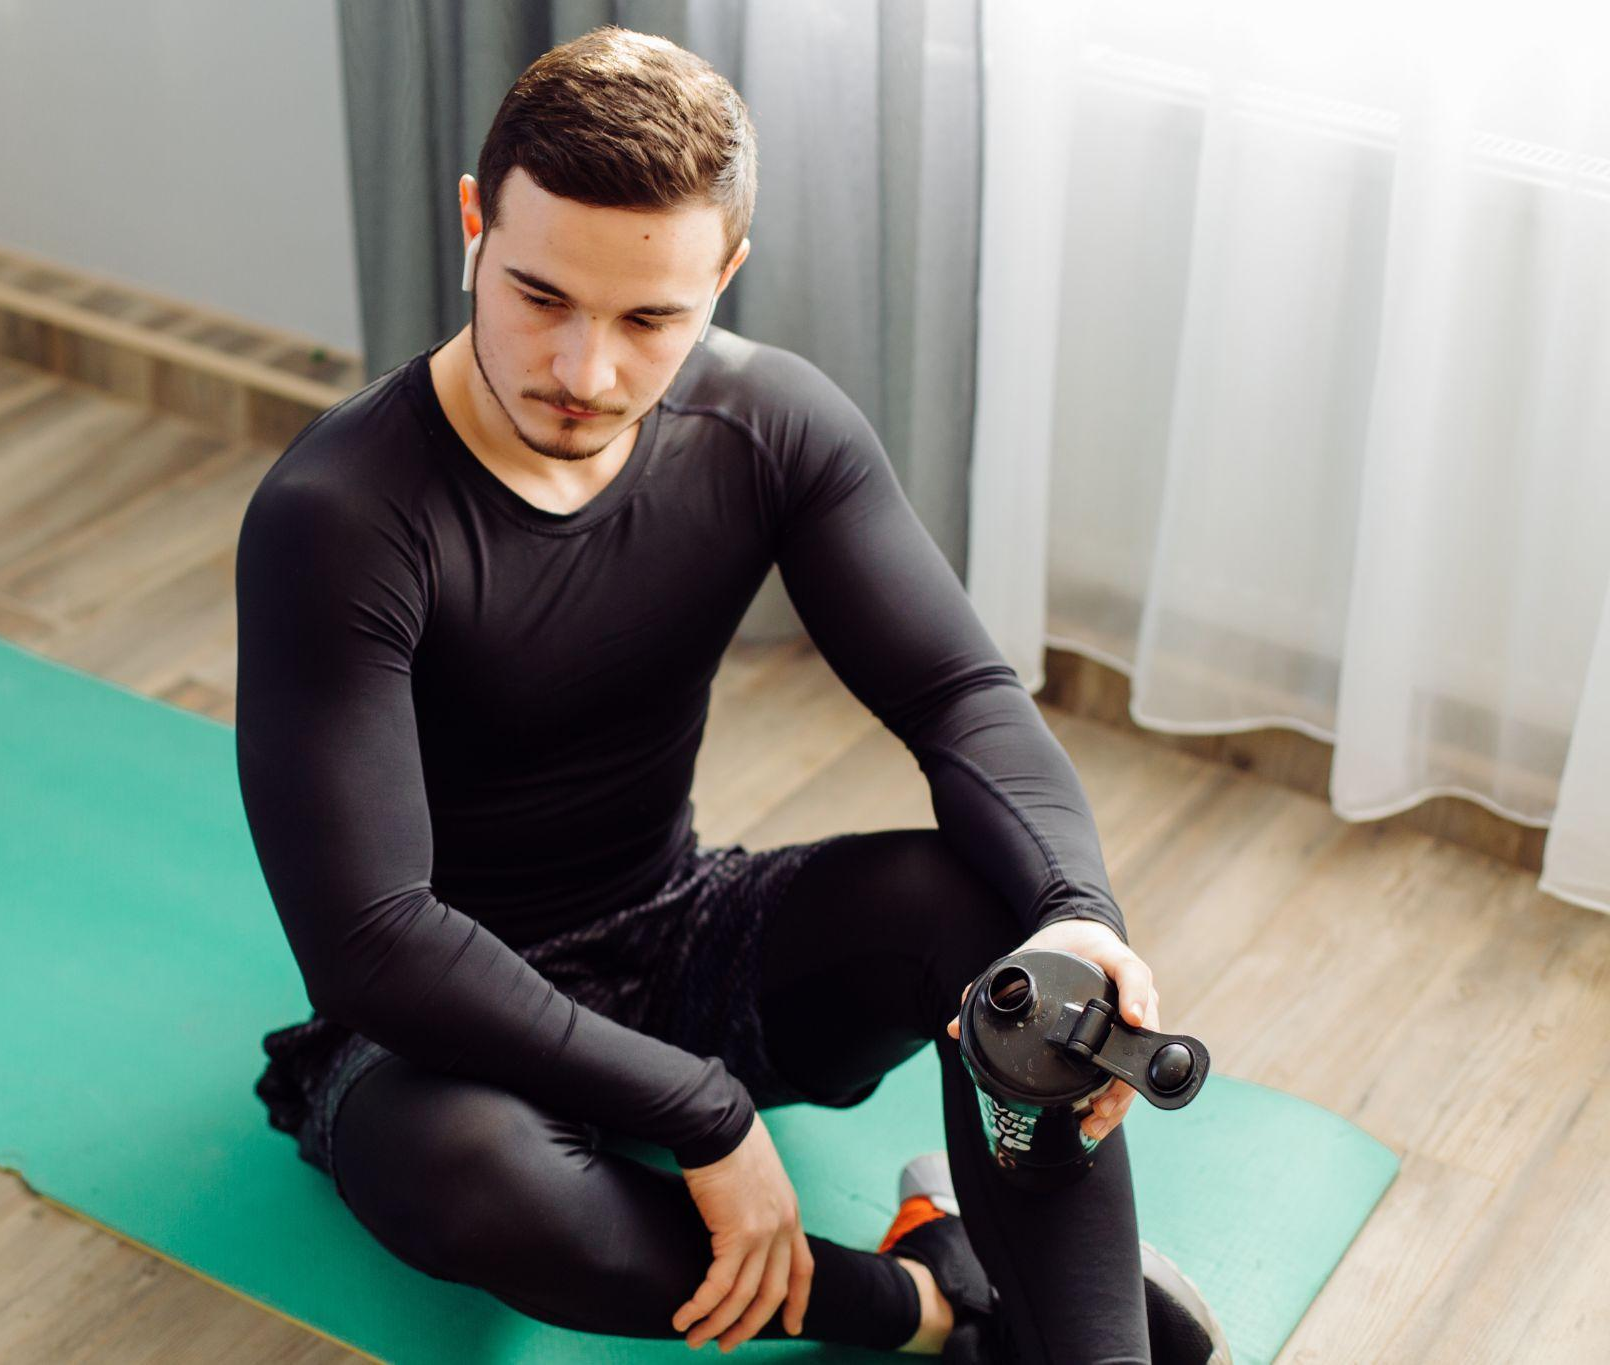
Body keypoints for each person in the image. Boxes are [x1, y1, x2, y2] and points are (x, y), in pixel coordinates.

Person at [235, 25, 1226, 1362]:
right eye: (539, 298)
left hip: (681, 933)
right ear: (474, 223)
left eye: (651, 319)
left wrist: (1078, 919)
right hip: (436, 1034)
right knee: (474, 1172)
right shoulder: (339, 512)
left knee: (1008, 935)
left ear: (726, 276)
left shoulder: (770, 427)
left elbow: (957, 694)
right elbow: (373, 939)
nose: (585, 373)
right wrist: (703, 1112)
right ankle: (934, 1304)